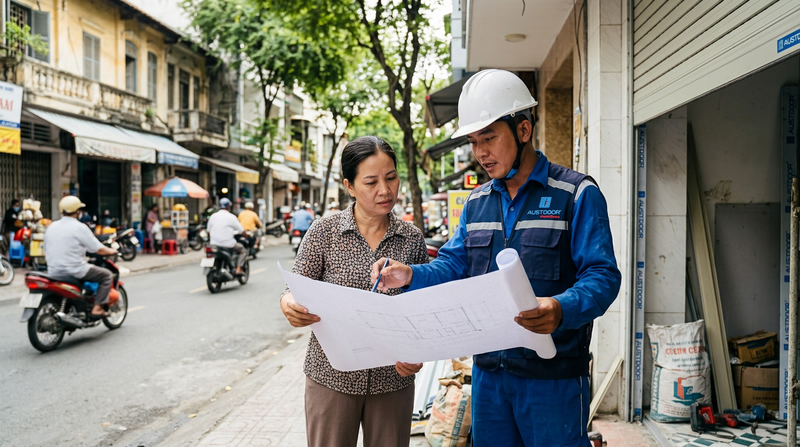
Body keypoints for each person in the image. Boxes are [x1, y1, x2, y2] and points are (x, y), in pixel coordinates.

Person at [371, 69, 622, 446]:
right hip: (489, 379)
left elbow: (603, 276)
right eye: (474, 142)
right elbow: (454, 265)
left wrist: (561, 307)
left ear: (523, 130)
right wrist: (410, 275)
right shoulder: (476, 203)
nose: (480, 153)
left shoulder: (575, 194)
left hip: (552, 380)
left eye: (489, 138)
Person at [280, 136, 429, 447]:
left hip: (393, 378)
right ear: (349, 186)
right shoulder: (324, 232)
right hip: (331, 375)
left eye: (391, 178)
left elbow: (422, 307)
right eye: (371, 182)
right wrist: (289, 303)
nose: (385, 190)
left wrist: (417, 353)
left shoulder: (411, 238)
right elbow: (294, 287)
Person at [45, 196, 118, 317]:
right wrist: (111, 251)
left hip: (53, 270)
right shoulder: (80, 227)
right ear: (78, 211)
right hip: (75, 270)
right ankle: (97, 308)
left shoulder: (51, 227)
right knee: (106, 275)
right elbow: (97, 248)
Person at [207, 198, 247, 276]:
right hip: (228, 244)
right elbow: (241, 231)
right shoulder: (231, 217)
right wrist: (246, 235)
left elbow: (209, 231)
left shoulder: (213, 216)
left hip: (214, 244)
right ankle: (238, 269)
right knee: (243, 250)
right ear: (228, 207)